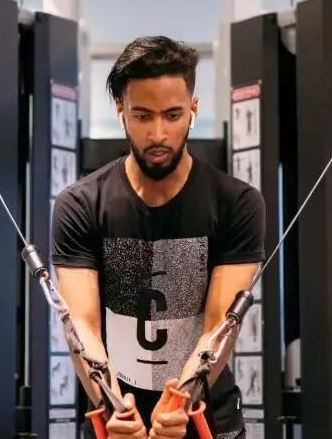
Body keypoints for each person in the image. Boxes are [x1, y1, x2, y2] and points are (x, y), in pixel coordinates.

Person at [52, 35, 265, 439]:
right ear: (121, 112)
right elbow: (82, 325)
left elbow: (220, 324)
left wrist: (182, 403)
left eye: (172, 115)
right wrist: (110, 406)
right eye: (142, 116)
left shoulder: (236, 203)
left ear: (192, 109)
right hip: (117, 416)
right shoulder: (80, 205)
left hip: (204, 416)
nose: (158, 133)